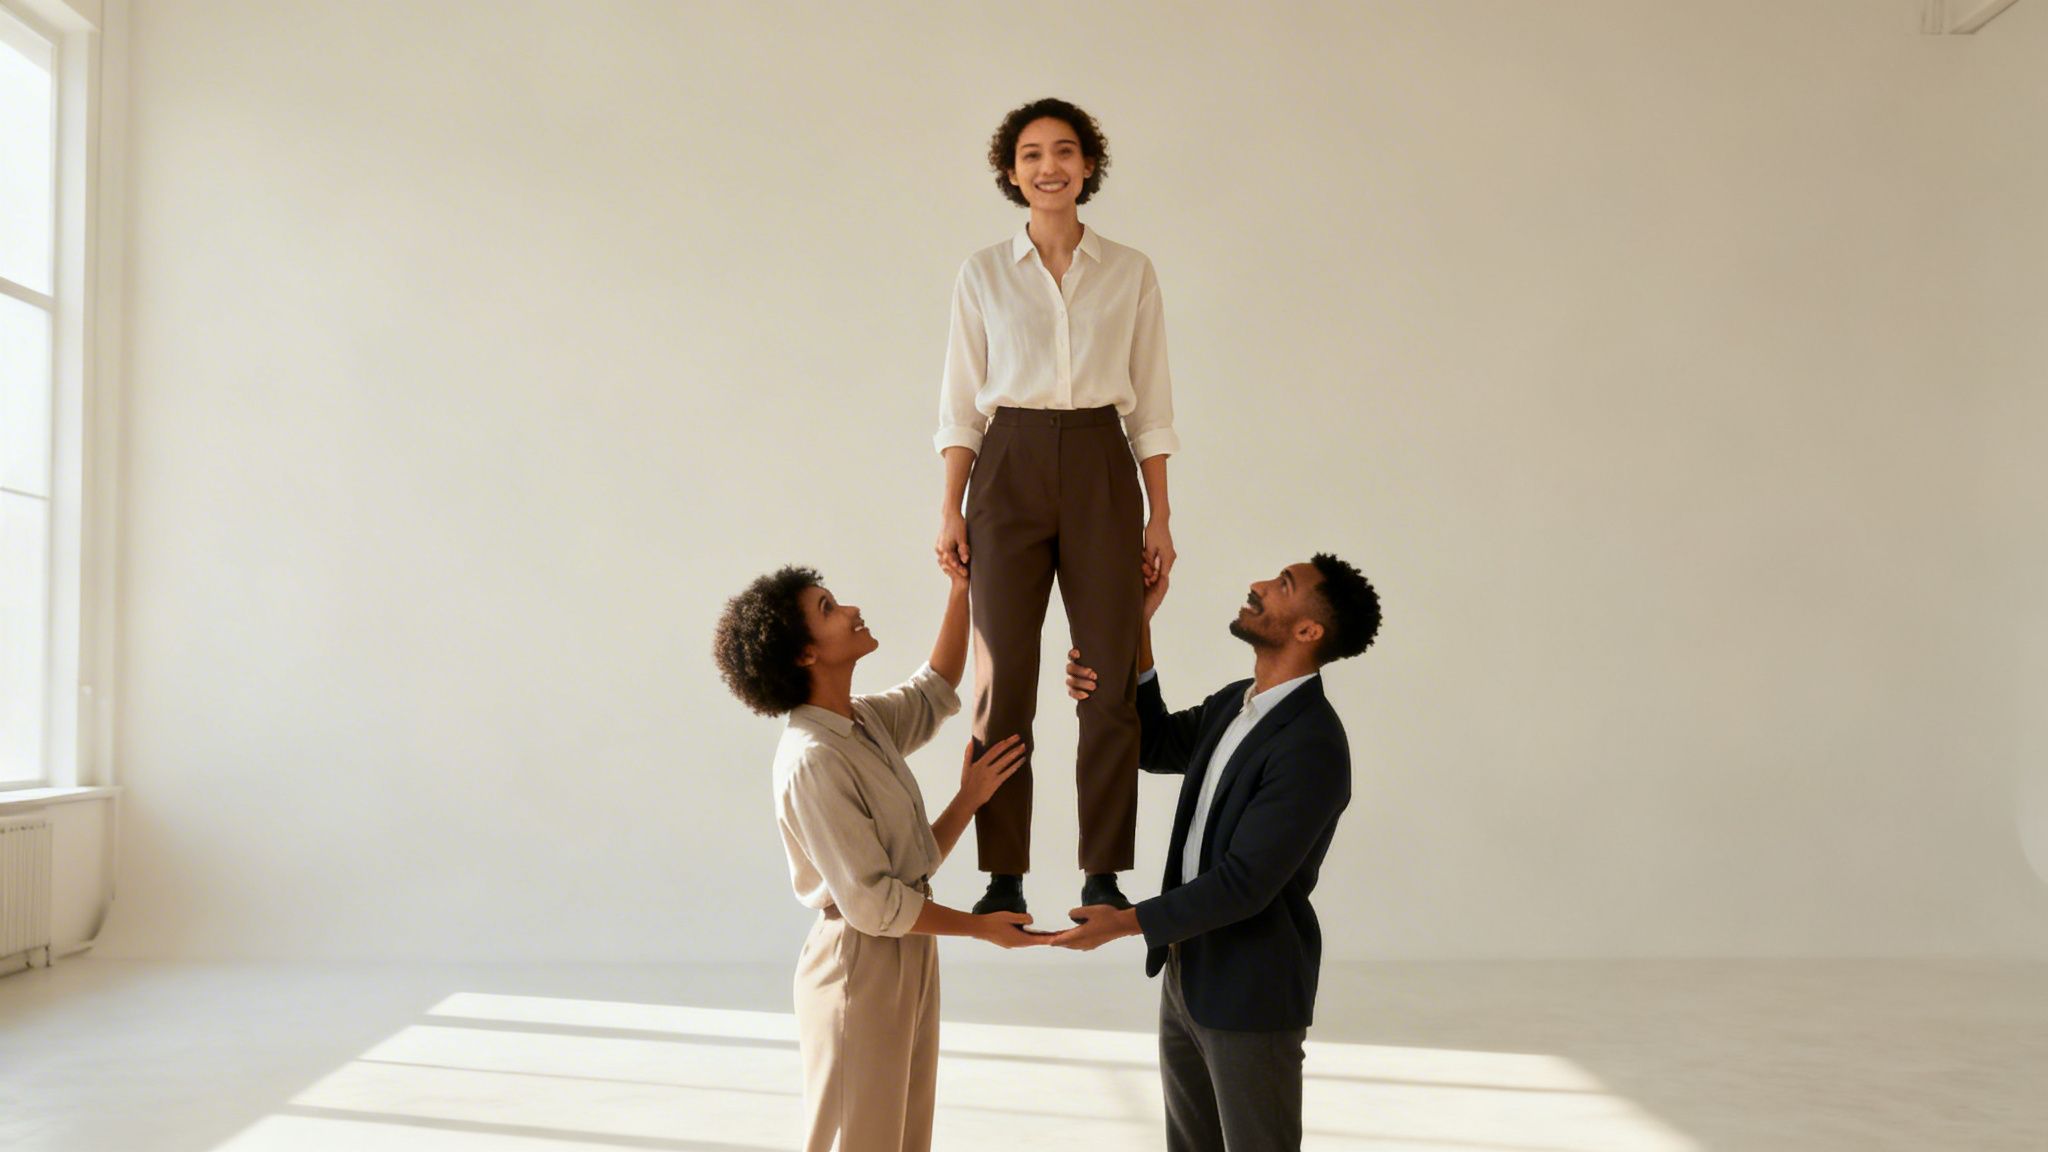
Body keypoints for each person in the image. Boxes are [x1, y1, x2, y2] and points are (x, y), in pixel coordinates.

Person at [934, 96, 1179, 917]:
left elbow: (1150, 406)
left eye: (1065, 151)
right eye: (1032, 154)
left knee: (1108, 674)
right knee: (1003, 674)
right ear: (1012, 173)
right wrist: (949, 507)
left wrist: (1161, 515)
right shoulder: (981, 273)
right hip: (1006, 464)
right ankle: (1003, 875)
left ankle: (1103, 871)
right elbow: (961, 404)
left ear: (1089, 165)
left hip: (1104, 462)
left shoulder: (1132, 269)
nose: (1050, 166)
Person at [1053, 554, 1382, 1152]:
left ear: (1309, 632)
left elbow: (1244, 884)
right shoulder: (1238, 702)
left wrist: (1126, 924)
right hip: (1187, 971)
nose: (1257, 585)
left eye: (1282, 586)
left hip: (1249, 988)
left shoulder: (1313, 746)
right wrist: (1134, 630)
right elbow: (1151, 743)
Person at [713, 563, 1046, 1152]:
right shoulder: (811, 759)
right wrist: (979, 929)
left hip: (907, 949)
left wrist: (961, 586)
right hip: (857, 967)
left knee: (905, 1139)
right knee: (861, 1140)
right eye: (828, 609)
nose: (850, 610)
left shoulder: (861, 720)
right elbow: (874, 904)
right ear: (803, 655)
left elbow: (935, 688)